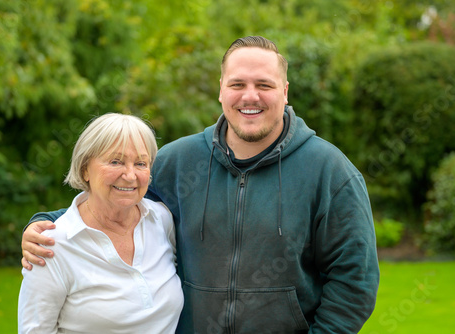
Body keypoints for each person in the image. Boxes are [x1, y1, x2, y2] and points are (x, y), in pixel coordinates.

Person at [22, 36, 379, 333]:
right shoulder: (178, 161)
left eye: (264, 85)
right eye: (238, 84)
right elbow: (118, 197)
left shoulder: (330, 171)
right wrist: (44, 222)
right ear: (221, 90)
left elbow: (355, 281)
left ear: (285, 91)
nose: (250, 96)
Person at [18, 113, 183, 333]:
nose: (130, 175)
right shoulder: (50, 245)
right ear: (85, 168)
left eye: (141, 163)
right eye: (116, 161)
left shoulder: (161, 220)